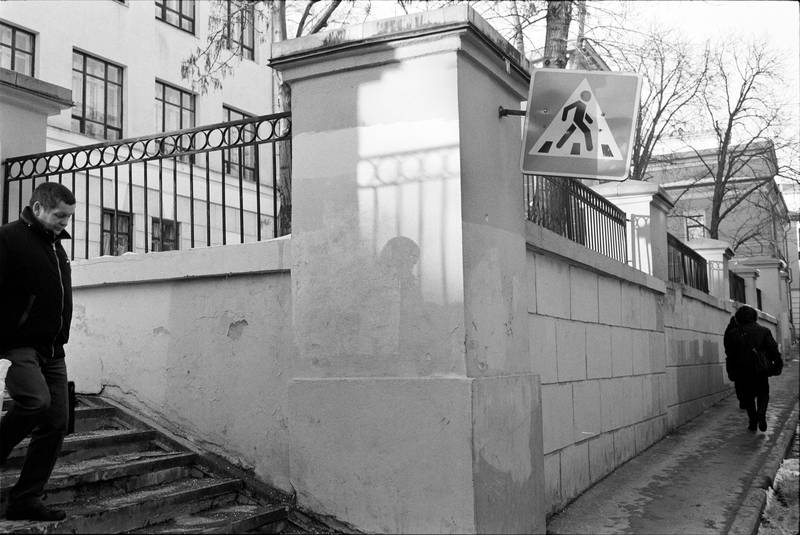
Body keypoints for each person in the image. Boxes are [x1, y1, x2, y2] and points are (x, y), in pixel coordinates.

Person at [0, 182, 76, 521]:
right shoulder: (8, 238)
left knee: (57, 423)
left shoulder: (57, 247)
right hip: (21, 343)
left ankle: (25, 499)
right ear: (38, 208)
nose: (65, 222)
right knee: (35, 401)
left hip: (53, 348)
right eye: (60, 215)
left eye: (69, 217)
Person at [723, 305, 783, 433]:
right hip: (760, 370)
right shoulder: (764, 331)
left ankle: (753, 421)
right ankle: (761, 414)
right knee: (763, 393)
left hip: (742, 371)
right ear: (754, 317)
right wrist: (777, 365)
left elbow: (730, 354)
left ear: (738, 318)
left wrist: (731, 371)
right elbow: (773, 350)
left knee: (748, 397)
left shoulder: (733, 334)